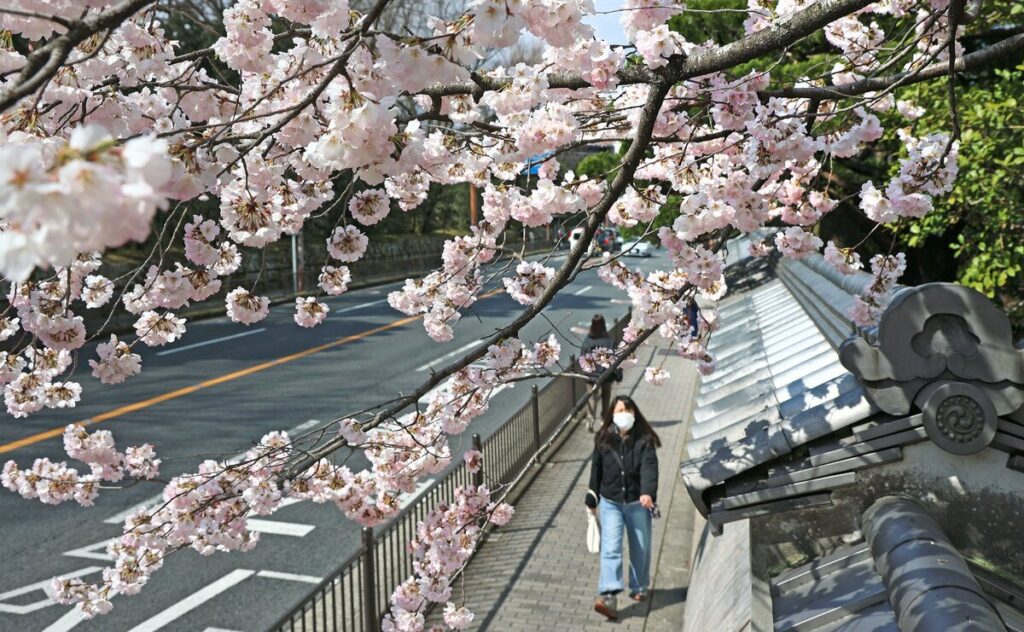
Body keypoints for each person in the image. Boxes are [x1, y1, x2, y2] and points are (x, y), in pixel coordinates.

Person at [585, 395, 660, 621]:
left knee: (641, 547)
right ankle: (608, 595)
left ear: (634, 414)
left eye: (627, 410)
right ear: (612, 414)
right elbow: (596, 470)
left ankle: (639, 586)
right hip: (611, 503)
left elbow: (650, 467)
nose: (623, 414)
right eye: (619, 410)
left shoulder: (644, 440)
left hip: (638, 503)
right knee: (611, 548)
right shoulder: (603, 439)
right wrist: (592, 498)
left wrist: (648, 492)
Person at [579, 314, 614, 432]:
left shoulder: (587, 341)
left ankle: (590, 421)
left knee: (591, 398)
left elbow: (582, 358)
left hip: (591, 376)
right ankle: (604, 420)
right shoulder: (608, 340)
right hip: (606, 375)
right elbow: (614, 359)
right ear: (604, 325)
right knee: (606, 398)